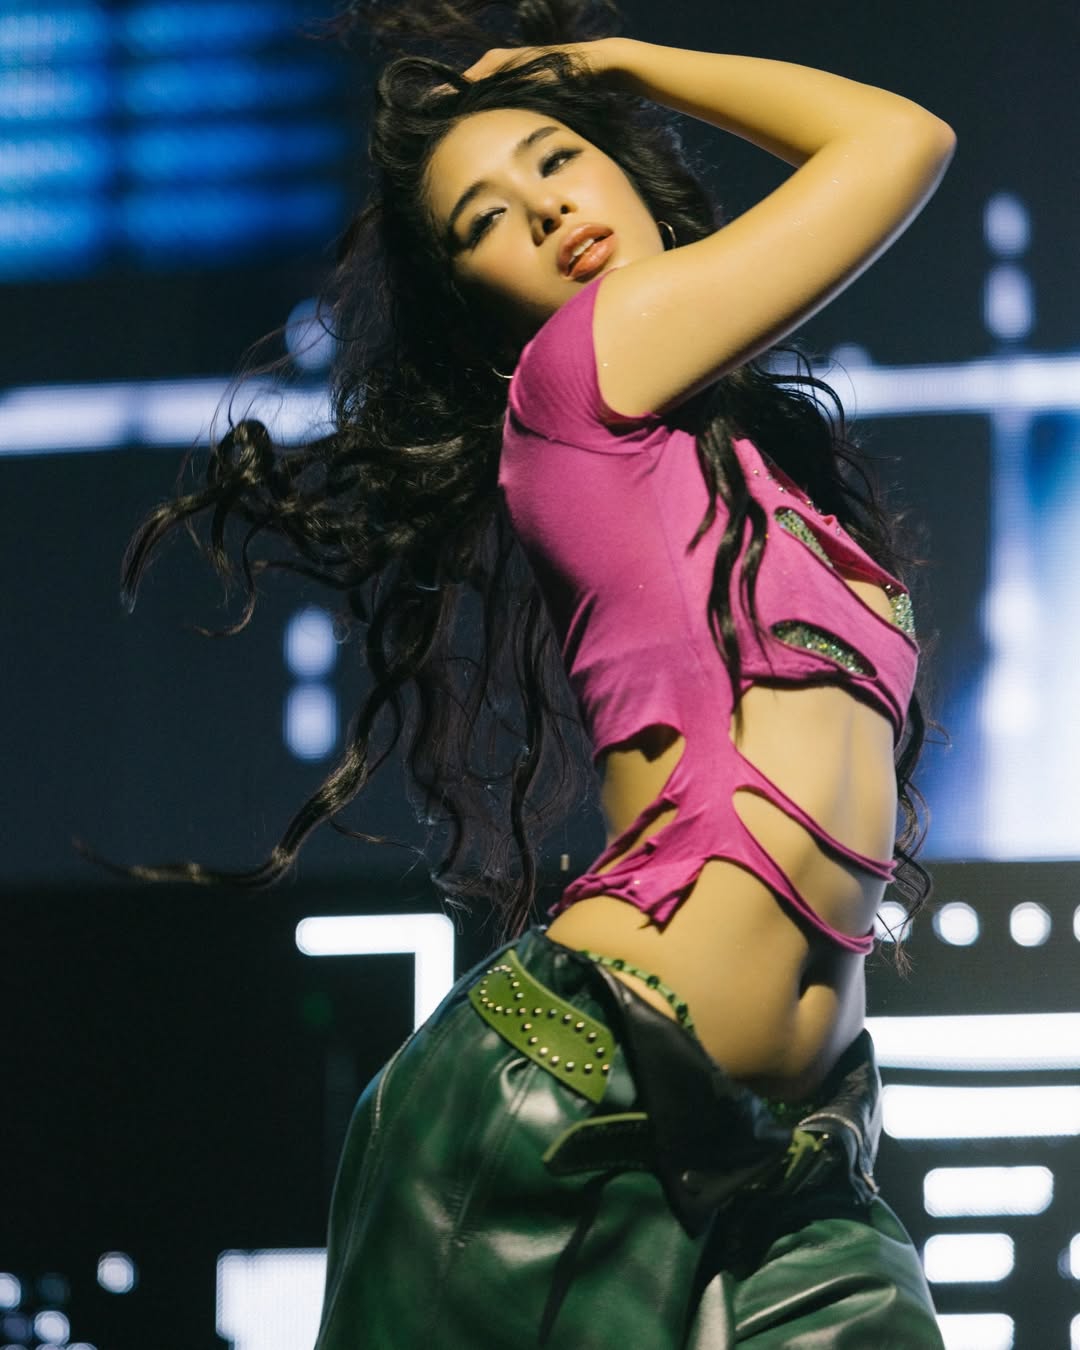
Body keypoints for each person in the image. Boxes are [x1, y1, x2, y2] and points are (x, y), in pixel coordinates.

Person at [113, 2, 955, 1343]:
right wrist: (623, 65)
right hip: (567, 1105)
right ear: (481, 310)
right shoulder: (575, 380)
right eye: (486, 221)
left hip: (792, 1163)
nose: (548, 209)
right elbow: (900, 140)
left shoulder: (764, 481)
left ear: (628, 170)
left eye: (559, 158)